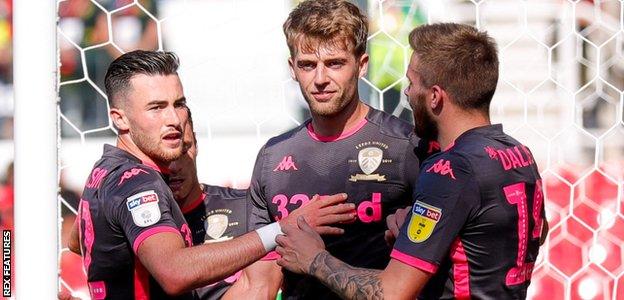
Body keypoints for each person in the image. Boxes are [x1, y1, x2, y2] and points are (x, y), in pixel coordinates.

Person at [275, 23, 548, 299]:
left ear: (435, 97)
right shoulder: (518, 154)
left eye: (411, 83)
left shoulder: (451, 170)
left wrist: (315, 259)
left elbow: (391, 293)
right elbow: (531, 233)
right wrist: (425, 240)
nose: (406, 93)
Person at [70, 50, 357, 299]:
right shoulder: (139, 182)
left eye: (178, 103)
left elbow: (78, 239)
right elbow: (174, 272)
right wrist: (281, 229)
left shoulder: (104, 171)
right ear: (119, 118)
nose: (173, 120)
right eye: (156, 108)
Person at [235, 1, 428, 298]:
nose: (321, 79)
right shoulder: (271, 158)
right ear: (292, 68)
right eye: (307, 65)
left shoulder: (407, 147)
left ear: (362, 65)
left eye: (335, 63)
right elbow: (258, 285)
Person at [168, 113, 256, 299]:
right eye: (164, 155)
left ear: (197, 145)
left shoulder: (248, 207)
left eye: (184, 149)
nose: (174, 166)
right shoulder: (139, 225)